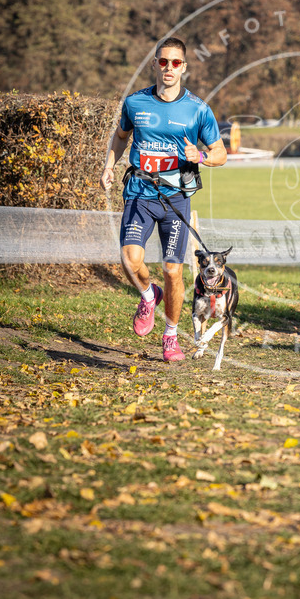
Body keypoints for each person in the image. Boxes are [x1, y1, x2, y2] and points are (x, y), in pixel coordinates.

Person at [100, 37, 227, 361]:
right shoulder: (135, 103)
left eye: (175, 62)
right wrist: (109, 165)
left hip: (176, 200)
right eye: (162, 61)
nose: (168, 68)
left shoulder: (197, 109)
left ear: (183, 67)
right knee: (130, 260)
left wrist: (198, 154)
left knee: (172, 271)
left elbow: (220, 154)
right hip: (140, 194)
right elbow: (120, 137)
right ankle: (148, 294)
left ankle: (171, 336)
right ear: (154, 64)